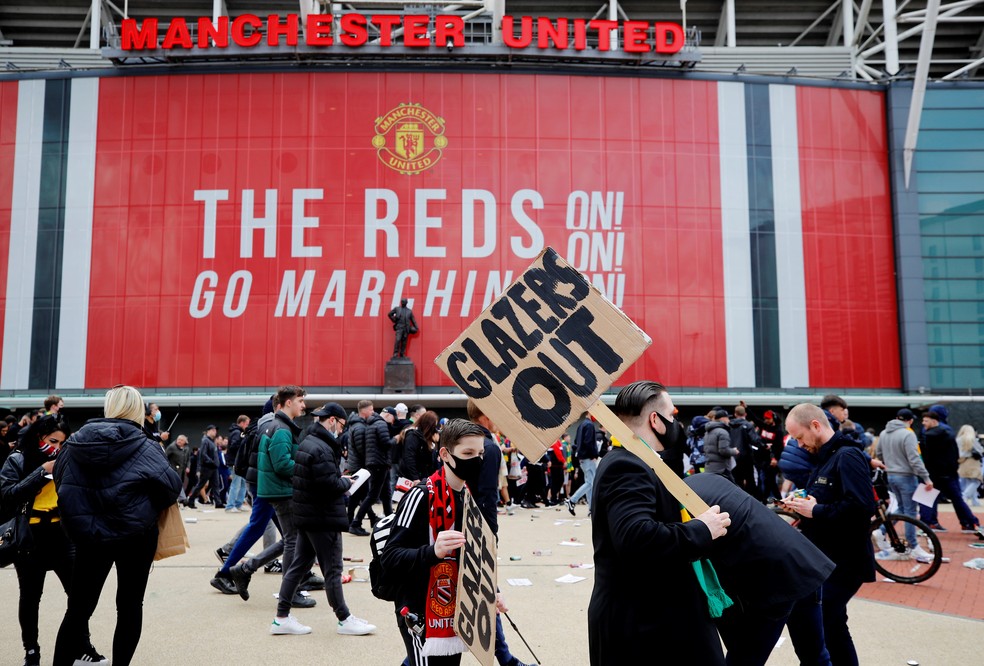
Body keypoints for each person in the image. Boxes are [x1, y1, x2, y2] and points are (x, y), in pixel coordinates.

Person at [589, 381, 731, 666]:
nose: (676, 422)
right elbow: (635, 537)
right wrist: (703, 529)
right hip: (642, 624)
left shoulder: (640, 460)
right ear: (656, 420)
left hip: (651, 617)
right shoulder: (627, 465)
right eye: (673, 414)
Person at [51, 385, 182, 666]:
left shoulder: (75, 443)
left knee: (78, 609)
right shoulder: (146, 444)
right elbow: (171, 487)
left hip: (89, 536)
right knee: (130, 606)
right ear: (138, 408)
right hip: (136, 534)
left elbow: (61, 483)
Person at [380, 418, 507, 665]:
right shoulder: (421, 495)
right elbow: (390, 557)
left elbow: (473, 557)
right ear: (445, 454)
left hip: (454, 610)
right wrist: (433, 551)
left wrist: (492, 591)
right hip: (418, 609)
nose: (477, 460)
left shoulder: (468, 498)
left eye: (480, 453)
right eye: (468, 453)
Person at [685, 473, 835, 666]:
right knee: (815, 655)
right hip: (802, 559)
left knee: (744, 659)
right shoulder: (704, 480)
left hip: (773, 579)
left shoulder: (679, 507)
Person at [0, 415, 108, 666]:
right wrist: (41, 472)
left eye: (62, 443)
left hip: (63, 535)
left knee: (79, 596)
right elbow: (8, 497)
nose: (57, 448)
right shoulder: (17, 459)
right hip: (30, 538)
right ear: (39, 437)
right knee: (30, 597)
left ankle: (81, 648)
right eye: (52, 441)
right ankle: (31, 652)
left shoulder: (66, 460)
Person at [782, 403, 876, 666]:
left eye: (799, 437)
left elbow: (861, 507)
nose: (799, 445)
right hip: (830, 560)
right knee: (833, 627)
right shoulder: (825, 459)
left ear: (815, 425)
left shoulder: (847, 456)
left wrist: (815, 511)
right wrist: (803, 512)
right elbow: (828, 501)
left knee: (816, 627)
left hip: (845, 562)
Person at [270, 403, 376, 637]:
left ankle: (281, 617)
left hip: (309, 516)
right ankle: (344, 618)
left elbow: (319, 479)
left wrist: (338, 478)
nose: (341, 429)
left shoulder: (310, 442)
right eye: (341, 424)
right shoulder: (322, 448)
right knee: (333, 569)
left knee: (297, 567)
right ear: (332, 421)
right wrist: (347, 482)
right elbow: (330, 485)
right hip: (322, 516)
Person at [227, 386, 312, 604]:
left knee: (291, 539)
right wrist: (306, 467)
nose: (304, 405)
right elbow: (282, 464)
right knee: (294, 540)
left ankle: (245, 569)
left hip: (274, 489)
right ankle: (289, 593)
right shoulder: (282, 428)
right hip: (281, 491)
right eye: (300, 400)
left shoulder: (273, 425)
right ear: (287, 403)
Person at [467, 399, 537, 666]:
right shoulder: (488, 446)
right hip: (477, 528)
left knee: (482, 593)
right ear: (484, 415)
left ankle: (506, 658)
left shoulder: (460, 441)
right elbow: (487, 496)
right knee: (487, 592)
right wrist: (490, 534)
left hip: (454, 523)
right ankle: (507, 659)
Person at [875, 409, 934, 559]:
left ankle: (881, 530)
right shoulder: (908, 434)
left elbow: (879, 454)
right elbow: (914, 459)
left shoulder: (884, 433)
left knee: (901, 508)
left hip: (891, 476)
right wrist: (926, 478)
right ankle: (913, 545)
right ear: (911, 420)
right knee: (910, 512)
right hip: (906, 476)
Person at [918, 405, 980, 532]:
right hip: (947, 472)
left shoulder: (925, 431)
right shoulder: (946, 430)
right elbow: (953, 453)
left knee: (926, 498)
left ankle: (928, 523)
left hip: (929, 471)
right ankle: (969, 523)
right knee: (957, 498)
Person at [350, 400, 395, 536]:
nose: (373, 412)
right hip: (376, 464)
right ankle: (356, 522)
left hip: (374, 463)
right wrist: (397, 439)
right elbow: (385, 444)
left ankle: (388, 520)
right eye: (371, 409)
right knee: (370, 495)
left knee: (383, 494)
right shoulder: (375, 424)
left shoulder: (368, 424)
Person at [564, 416, 599, 516]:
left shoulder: (581, 425)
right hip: (588, 457)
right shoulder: (589, 425)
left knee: (589, 483)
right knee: (590, 483)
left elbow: (576, 441)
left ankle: (591, 509)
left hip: (583, 458)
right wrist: (594, 454)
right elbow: (588, 442)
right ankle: (572, 500)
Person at [399, 410, 440, 482]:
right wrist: (415, 477)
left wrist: (437, 442)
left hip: (424, 475)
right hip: (412, 477)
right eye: (433, 426)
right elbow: (409, 457)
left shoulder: (430, 437)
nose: (434, 429)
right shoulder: (413, 435)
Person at [188, 425, 221, 508]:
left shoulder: (212, 441)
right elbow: (203, 454)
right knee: (200, 485)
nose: (215, 432)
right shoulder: (205, 440)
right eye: (213, 430)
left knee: (216, 485)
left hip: (214, 467)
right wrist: (211, 462)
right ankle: (191, 501)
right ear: (208, 431)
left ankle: (218, 503)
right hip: (207, 467)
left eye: (215, 430)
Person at [704, 408, 738, 483]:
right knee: (731, 489)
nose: (729, 420)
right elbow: (723, 451)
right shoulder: (722, 432)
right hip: (721, 469)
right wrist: (734, 451)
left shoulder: (708, 432)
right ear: (723, 419)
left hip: (710, 468)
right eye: (727, 418)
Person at [957, 424, 983, 507]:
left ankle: (975, 501)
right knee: (977, 481)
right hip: (972, 461)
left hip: (962, 462)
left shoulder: (958, 439)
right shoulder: (972, 439)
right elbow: (981, 450)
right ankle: (965, 496)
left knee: (969, 482)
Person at [164, 434, 191, 503]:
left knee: (179, 483)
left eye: (181, 440)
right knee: (176, 483)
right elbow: (165, 456)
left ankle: (179, 498)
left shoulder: (186, 448)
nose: (179, 441)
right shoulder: (172, 447)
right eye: (178, 439)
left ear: (185, 442)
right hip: (173, 469)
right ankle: (182, 498)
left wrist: (188, 467)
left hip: (181, 470)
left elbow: (188, 459)